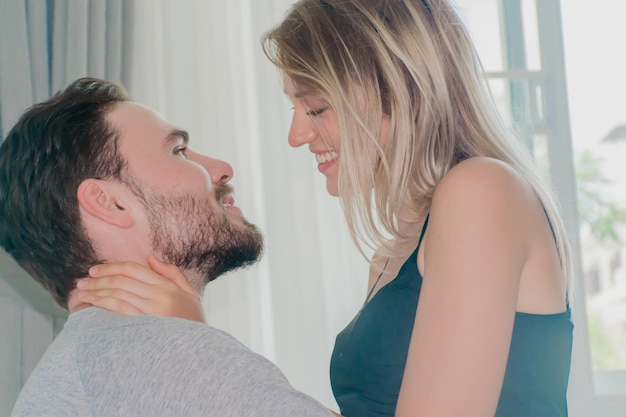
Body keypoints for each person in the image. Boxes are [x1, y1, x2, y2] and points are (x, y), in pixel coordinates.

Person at [77, 1, 574, 416]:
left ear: (398, 87)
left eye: (315, 108)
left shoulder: (481, 190)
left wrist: (203, 346)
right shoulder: (395, 256)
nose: (297, 136)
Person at [0, 77, 337, 417]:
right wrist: (194, 347)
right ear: (108, 202)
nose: (222, 169)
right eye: (178, 150)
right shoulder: (153, 353)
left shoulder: (87, 362)